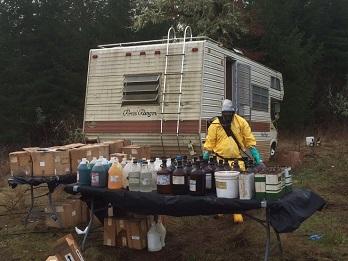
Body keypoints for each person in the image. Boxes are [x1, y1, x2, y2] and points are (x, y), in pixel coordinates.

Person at [203, 99, 262, 223]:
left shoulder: (241, 122)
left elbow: (249, 140)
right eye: (225, 114)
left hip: (237, 161)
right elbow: (209, 143)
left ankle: (237, 211)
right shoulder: (215, 124)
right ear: (222, 112)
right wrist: (205, 157)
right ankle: (221, 210)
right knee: (221, 187)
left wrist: (257, 158)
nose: (228, 116)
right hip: (221, 163)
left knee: (238, 188)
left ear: (234, 112)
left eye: (230, 114)